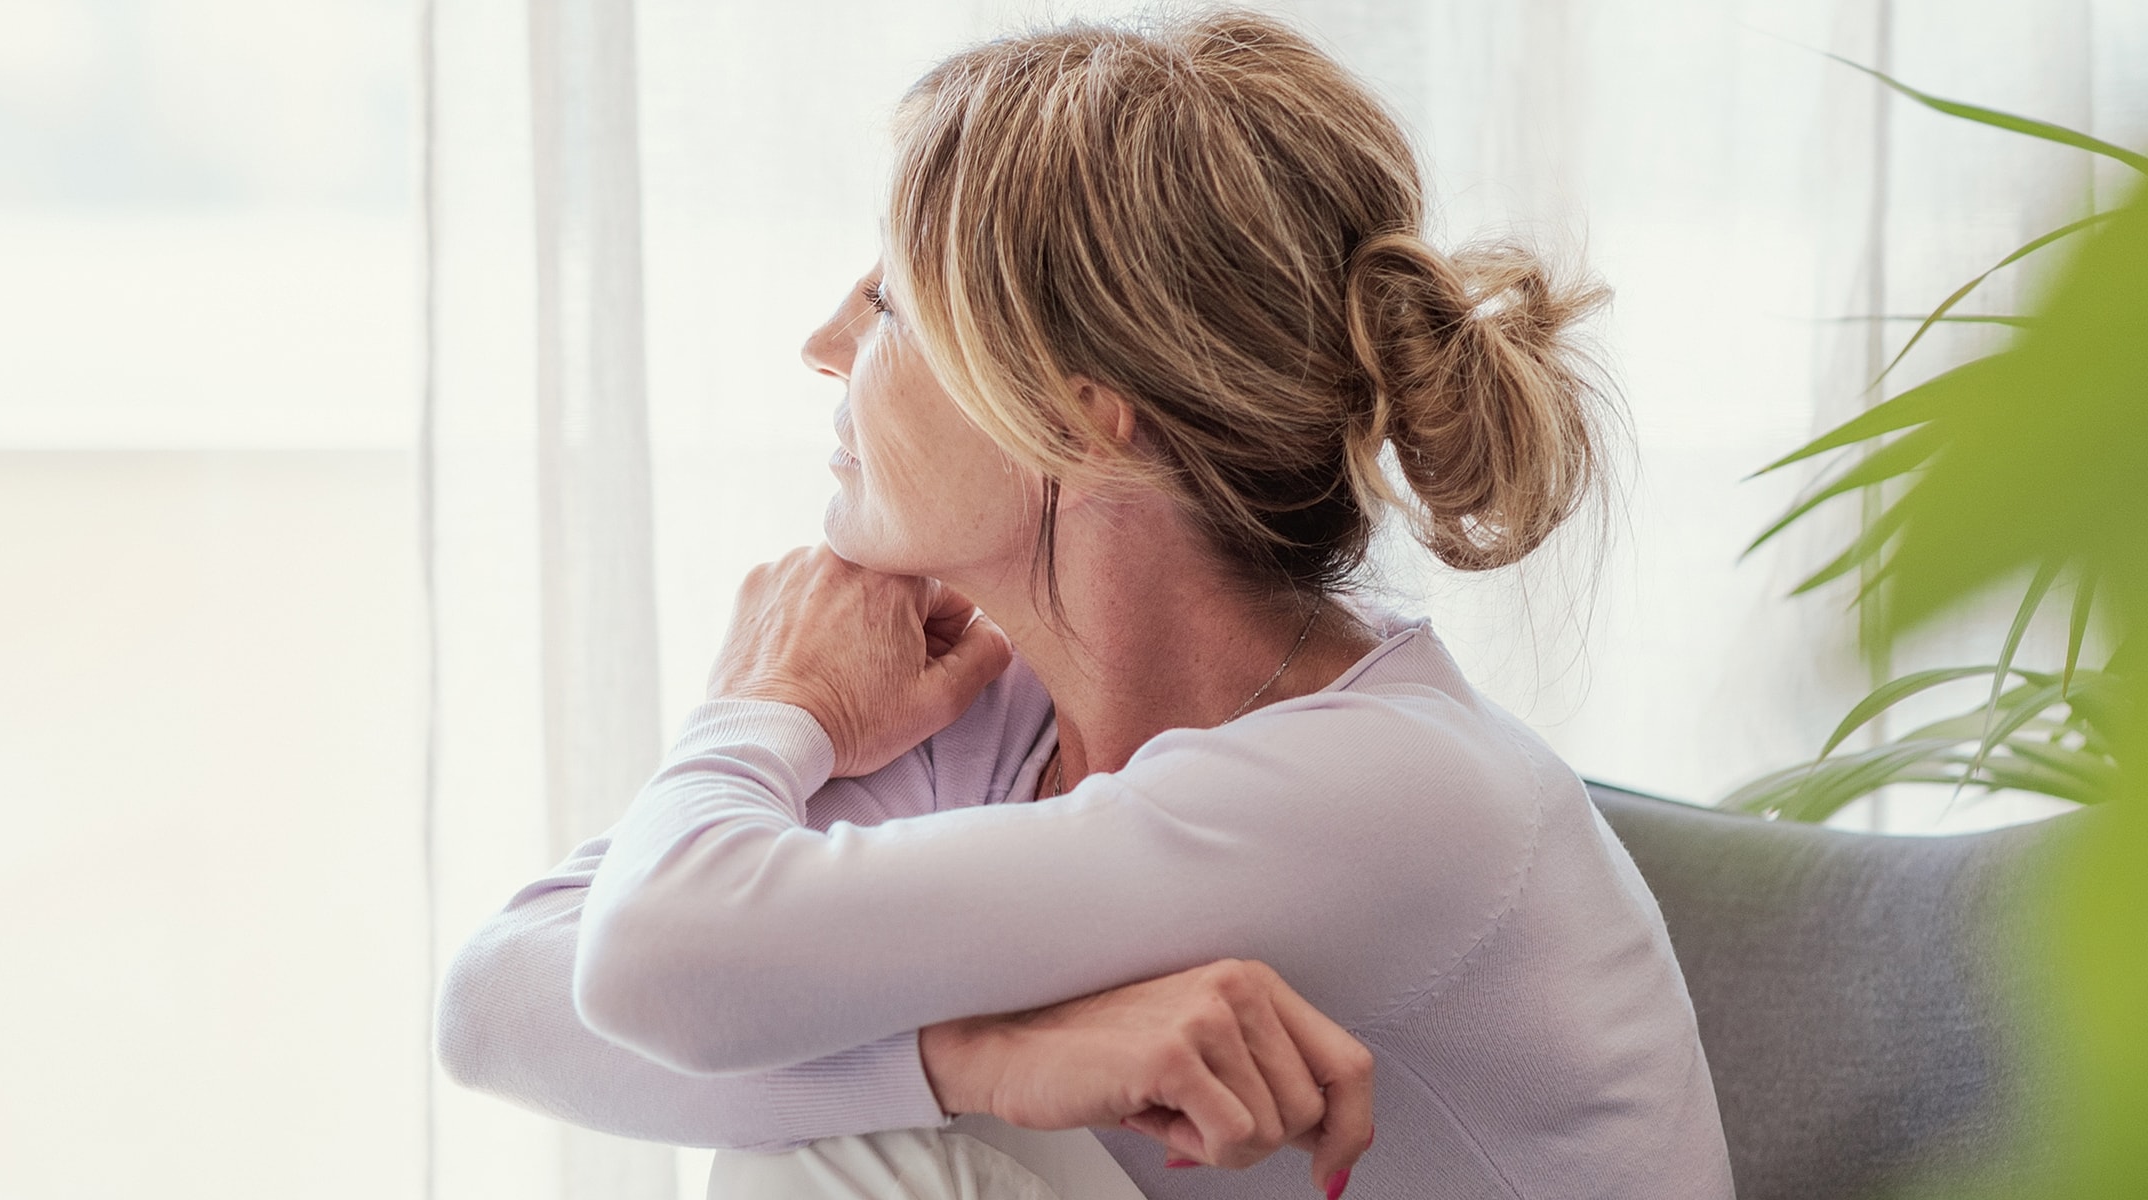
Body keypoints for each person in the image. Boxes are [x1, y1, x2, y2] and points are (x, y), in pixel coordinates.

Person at [436, 9, 1734, 1199]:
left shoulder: (1397, 792)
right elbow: (497, 1001)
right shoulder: (991, 722)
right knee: (845, 1105)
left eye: (892, 300)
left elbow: (659, 963)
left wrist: (766, 704)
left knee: (849, 1137)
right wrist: (982, 1057)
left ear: (1076, 408)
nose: (827, 340)